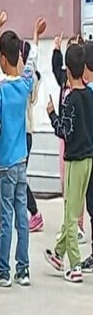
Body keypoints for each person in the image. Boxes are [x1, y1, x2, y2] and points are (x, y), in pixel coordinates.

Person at [0, 18, 45, 234]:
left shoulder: (25, 82)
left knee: (16, 177)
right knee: (18, 177)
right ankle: (14, 214)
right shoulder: (22, 81)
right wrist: (36, 36)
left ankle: (33, 213)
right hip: (17, 137)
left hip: (23, 135)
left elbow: (31, 66)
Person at [0, 28, 33, 287]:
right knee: (21, 218)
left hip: (5, 163)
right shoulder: (25, 85)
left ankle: (2, 269)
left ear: (3, 59)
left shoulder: (0, 90)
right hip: (21, 161)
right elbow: (30, 69)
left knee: (5, 218)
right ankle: (23, 269)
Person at [45, 43, 93, 283]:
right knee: (72, 209)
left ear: (67, 69)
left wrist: (52, 113)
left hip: (74, 160)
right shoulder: (90, 95)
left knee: (71, 214)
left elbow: (64, 131)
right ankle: (58, 253)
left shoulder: (70, 99)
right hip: (89, 160)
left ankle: (75, 265)